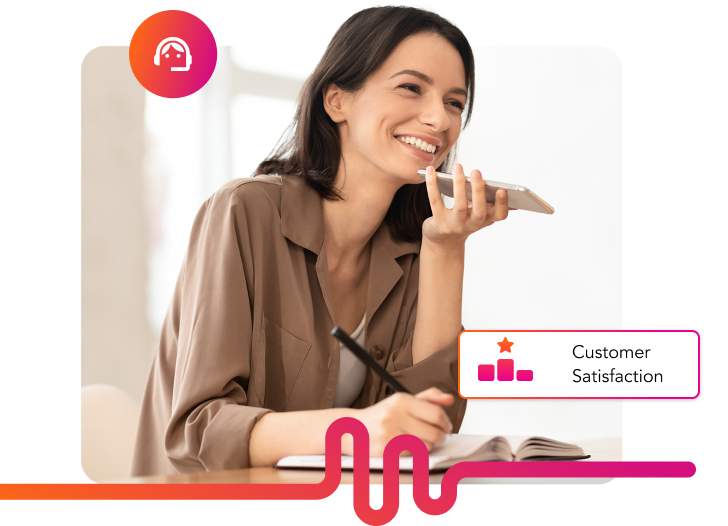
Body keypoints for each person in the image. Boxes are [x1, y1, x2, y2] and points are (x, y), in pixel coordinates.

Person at [130, 4, 510, 477]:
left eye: (454, 102)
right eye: (412, 87)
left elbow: (432, 425)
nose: (439, 118)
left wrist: (445, 250)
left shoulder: (414, 249)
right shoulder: (243, 212)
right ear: (337, 101)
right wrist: (354, 430)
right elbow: (197, 429)